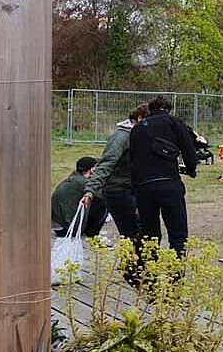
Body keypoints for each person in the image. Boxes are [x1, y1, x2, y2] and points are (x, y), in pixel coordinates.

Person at [129, 96, 197, 254]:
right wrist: (191, 169)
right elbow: (189, 150)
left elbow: (132, 161)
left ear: (150, 110)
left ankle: (149, 274)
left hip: (143, 187)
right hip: (168, 183)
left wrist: (134, 190)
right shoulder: (173, 122)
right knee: (178, 234)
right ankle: (176, 276)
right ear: (168, 109)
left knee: (150, 235)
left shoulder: (137, 128)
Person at [81, 104, 148, 241]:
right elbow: (107, 163)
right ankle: (132, 261)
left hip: (131, 189)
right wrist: (90, 190)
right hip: (118, 191)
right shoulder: (121, 137)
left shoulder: (139, 135)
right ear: (139, 118)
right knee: (132, 232)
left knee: (139, 231)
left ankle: (138, 261)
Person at [51, 157, 109, 237]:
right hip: (67, 230)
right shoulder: (84, 182)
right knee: (103, 203)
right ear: (92, 169)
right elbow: (103, 194)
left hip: (59, 227)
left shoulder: (74, 178)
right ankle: (92, 234)